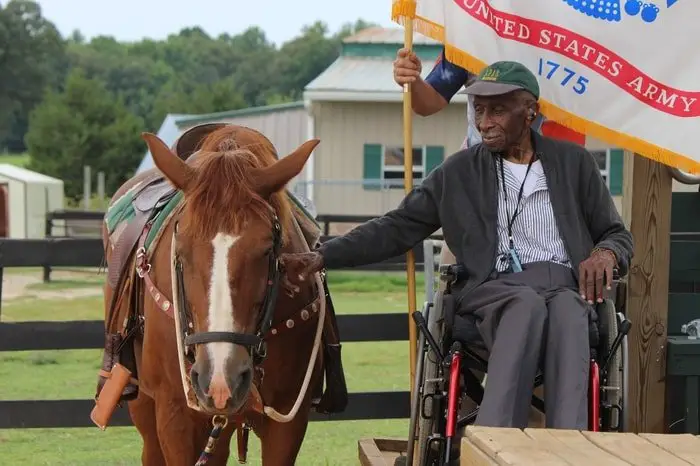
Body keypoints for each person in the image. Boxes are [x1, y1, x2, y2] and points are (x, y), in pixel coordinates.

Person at [279, 60, 634, 429]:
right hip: (494, 287)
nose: (483, 122)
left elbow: (617, 233)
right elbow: (397, 226)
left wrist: (604, 252)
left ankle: (566, 448)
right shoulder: (458, 171)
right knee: (525, 305)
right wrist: (324, 254)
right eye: (478, 110)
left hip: (563, 285)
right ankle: (496, 443)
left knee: (570, 313)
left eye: (497, 110)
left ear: (530, 112)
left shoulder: (573, 163)